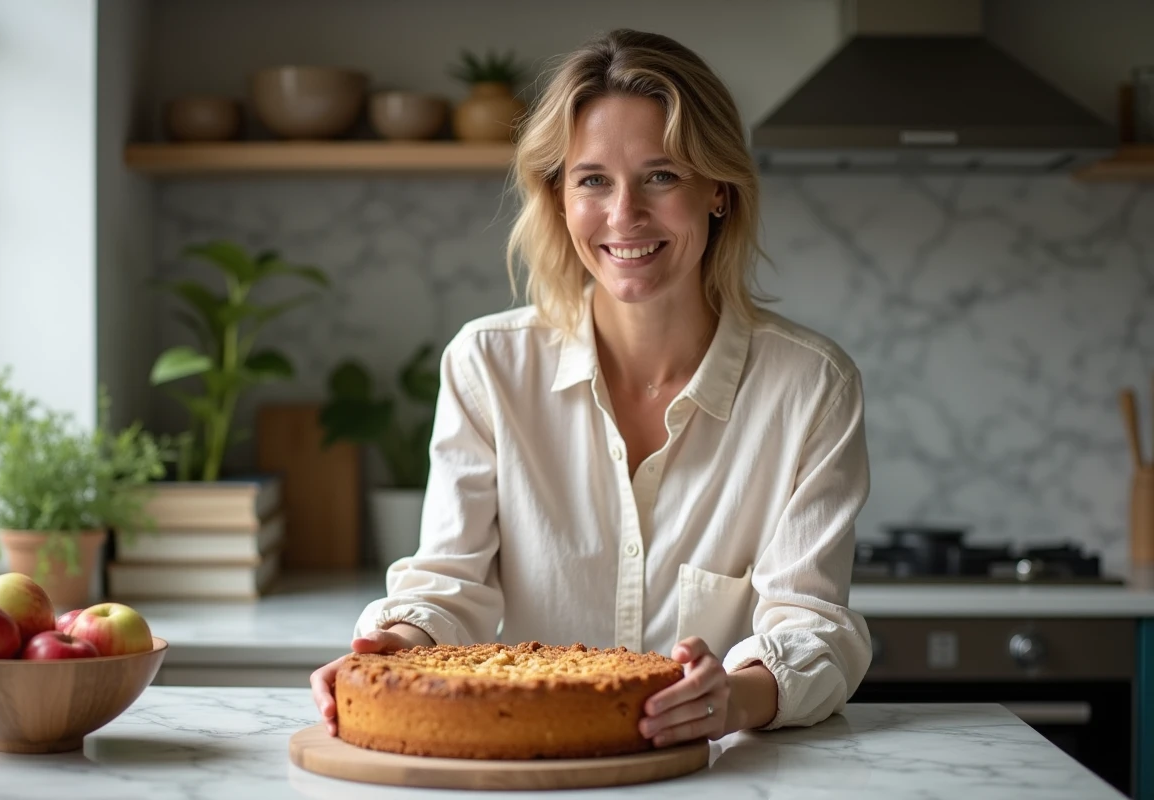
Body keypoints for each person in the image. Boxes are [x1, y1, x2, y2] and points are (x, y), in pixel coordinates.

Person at [311, 28, 872, 747]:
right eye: (593, 179)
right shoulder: (488, 365)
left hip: (715, 776)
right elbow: (448, 585)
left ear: (719, 191)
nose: (624, 214)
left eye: (662, 175)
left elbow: (812, 626)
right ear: (560, 197)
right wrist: (394, 649)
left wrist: (730, 697)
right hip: (531, 766)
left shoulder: (811, 388)